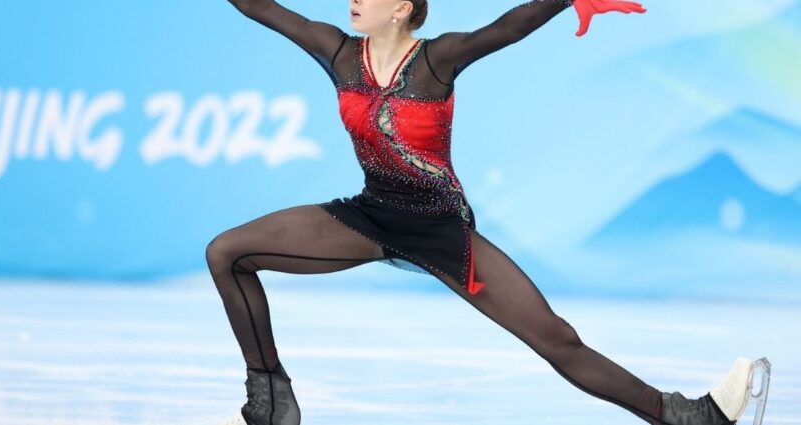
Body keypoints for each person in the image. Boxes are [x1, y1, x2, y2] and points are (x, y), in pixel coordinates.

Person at [208, 1, 766, 424]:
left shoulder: (436, 58)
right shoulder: (335, 50)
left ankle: (688, 416)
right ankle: (270, 394)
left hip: (441, 229)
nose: (352, 0)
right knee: (226, 252)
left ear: (402, 8)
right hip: (369, 216)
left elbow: (505, 29)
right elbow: (261, 7)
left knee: (557, 339)